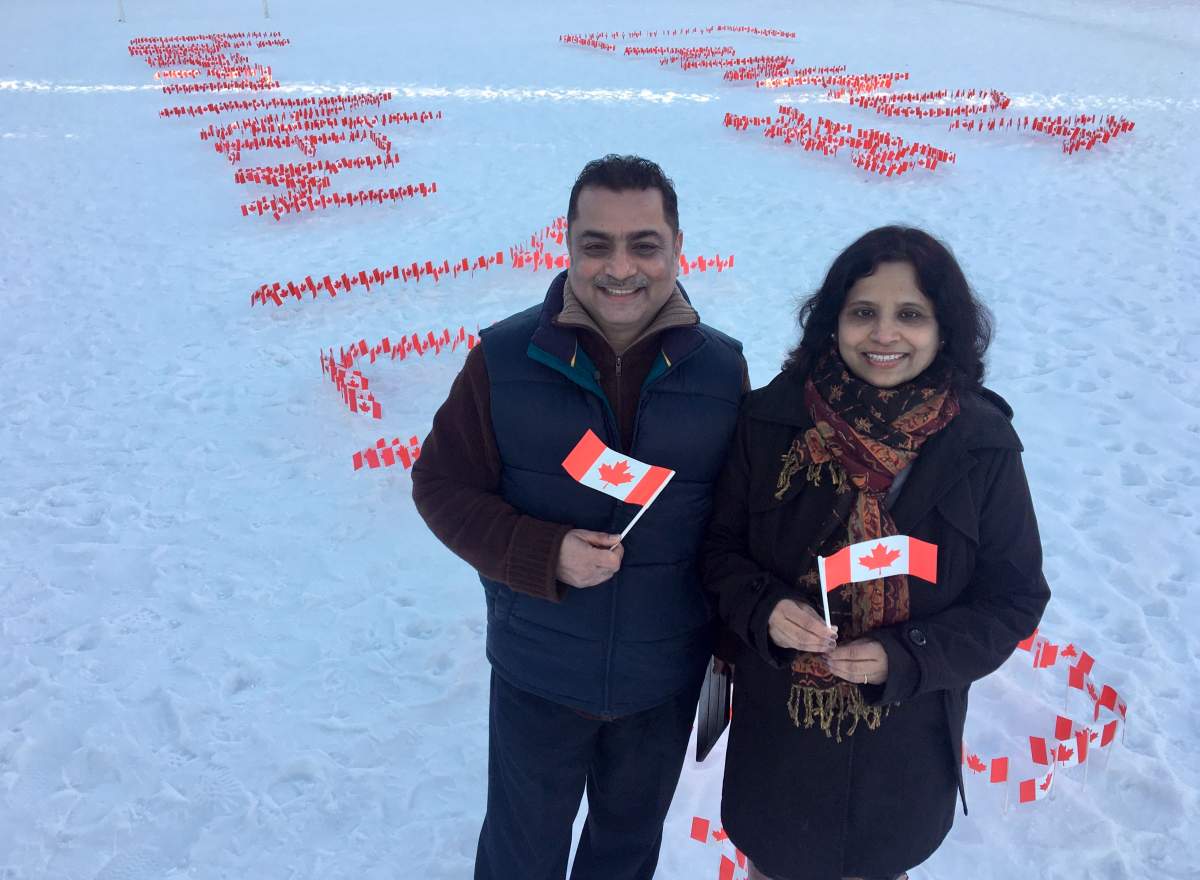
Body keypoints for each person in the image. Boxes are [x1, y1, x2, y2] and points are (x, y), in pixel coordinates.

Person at [411, 154, 747, 880]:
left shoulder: (723, 373)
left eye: (644, 244)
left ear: (677, 247)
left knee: (624, 854)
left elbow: (735, 527)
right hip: (540, 670)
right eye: (597, 244)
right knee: (520, 855)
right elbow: (441, 485)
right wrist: (541, 552)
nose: (620, 267)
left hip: (663, 678)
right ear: (566, 244)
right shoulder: (504, 359)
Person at [701, 226, 1051, 880]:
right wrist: (766, 609)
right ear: (831, 321)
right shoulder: (770, 422)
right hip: (782, 742)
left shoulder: (982, 444)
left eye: (910, 315)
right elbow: (718, 553)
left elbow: (1014, 598)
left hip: (904, 748)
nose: (884, 334)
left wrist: (908, 654)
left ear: (946, 329)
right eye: (863, 312)